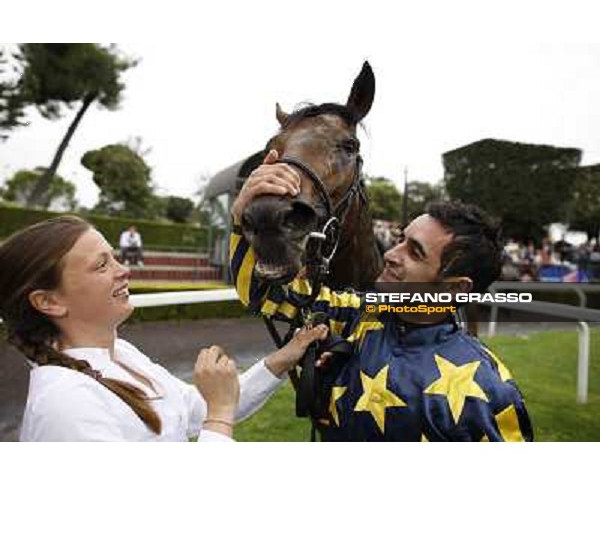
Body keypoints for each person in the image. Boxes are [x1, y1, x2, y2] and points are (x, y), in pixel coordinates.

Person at [229, 150, 533, 442]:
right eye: (400, 240)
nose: (390, 254)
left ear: (455, 288)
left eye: (414, 252)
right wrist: (243, 216)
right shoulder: (351, 314)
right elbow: (266, 294)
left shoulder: (489, 392)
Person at [0, 216, 328, 442]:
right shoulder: (65, 404)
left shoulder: (121, 353)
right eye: (102, 265)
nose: (124, 270)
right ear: (48, 302)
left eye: (114, 258)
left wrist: (284, 357)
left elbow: (196, 408)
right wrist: (220, 414)